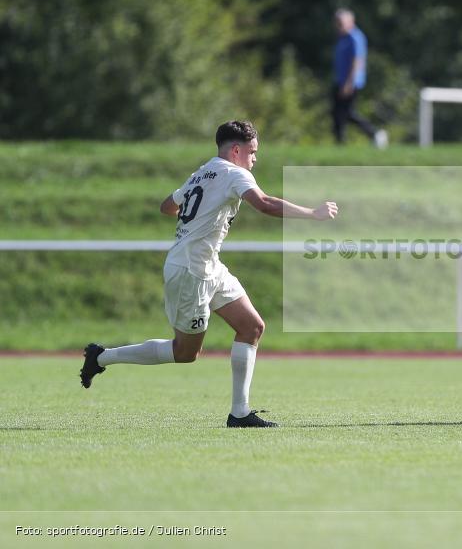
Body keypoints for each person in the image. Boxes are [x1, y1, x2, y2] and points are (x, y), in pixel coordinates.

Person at [79, 121, 339, 428]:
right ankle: (101, 357)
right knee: (186, 352)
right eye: (252, 152)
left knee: (252, 326)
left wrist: (194, 209)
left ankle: (239, 413)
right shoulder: (235, 173)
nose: (255, 159)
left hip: (208, 265)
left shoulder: (203, 171)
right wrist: (312, 214)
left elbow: (167, 207)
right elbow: (265, 204)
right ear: (237, 150)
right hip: (191, 271)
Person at [331, 8, 388, 149]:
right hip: (340, 81)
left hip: (350, 83)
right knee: (338, 113)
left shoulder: (355, 37)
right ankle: (340, 142)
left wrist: (349, 83)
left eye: (341, 22)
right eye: (337, 23)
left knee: (347, 113)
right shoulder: (343, 38)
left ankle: (375, 133)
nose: (339, 25)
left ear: (351, 21)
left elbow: (357, 61)